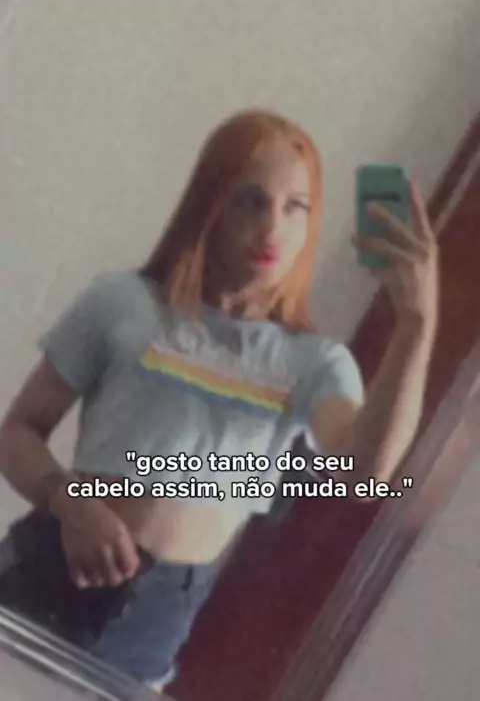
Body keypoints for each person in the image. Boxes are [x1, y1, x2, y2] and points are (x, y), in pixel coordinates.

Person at [0, 110, 439, 694]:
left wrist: (416, 324)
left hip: (158, 614)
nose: (272, 228)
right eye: (252, 200)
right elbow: (19, 430)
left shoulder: (313, 362)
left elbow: (365, 471)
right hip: (53, 563)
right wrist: (72, 504)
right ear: (210, 204)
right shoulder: (123, 303)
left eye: (295, 207)